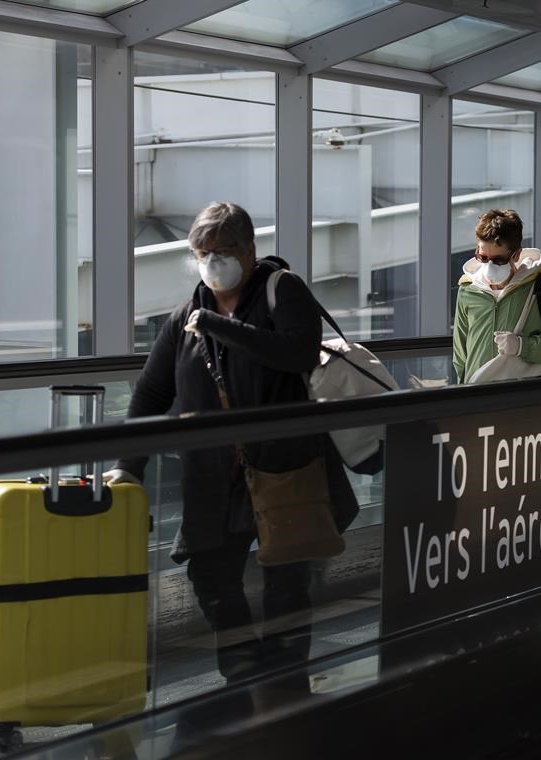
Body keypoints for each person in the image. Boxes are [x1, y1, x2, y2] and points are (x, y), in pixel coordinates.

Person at [102, 202, 357, 701]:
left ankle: (285, 683)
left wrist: (221, 327)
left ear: (249, 250)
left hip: (284, 468)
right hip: (212, 478)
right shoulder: (184, 320)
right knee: (210, 573)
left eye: (223, 251)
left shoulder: (282, 292)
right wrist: (127, 467)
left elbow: (297, 353)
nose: (213, 262)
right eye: (203, 252)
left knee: (286, 580)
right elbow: (151, 394)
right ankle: (242, 669)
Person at [452, 209, 541, 384]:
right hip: (479, 399)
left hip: (526, 400)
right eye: (483, 257)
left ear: (516, 255)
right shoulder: (467, 290)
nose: (489, 266)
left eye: (498, 260)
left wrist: (522, 346)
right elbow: (460, 356)